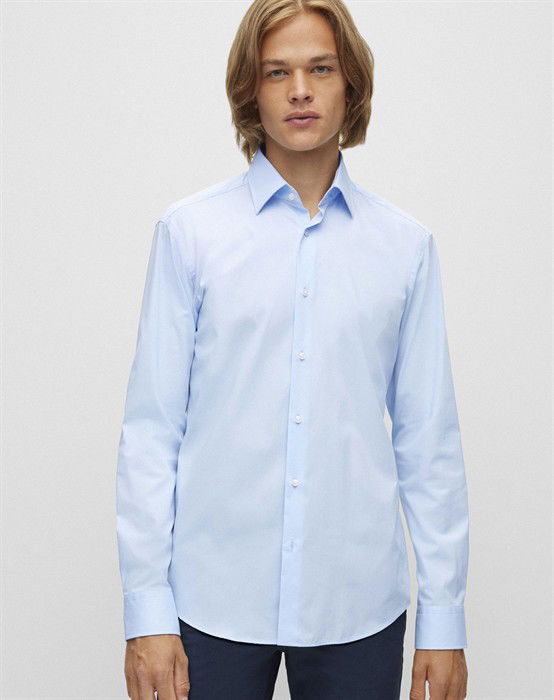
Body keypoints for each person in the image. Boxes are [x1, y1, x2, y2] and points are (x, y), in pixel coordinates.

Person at [115, 1, 470, 698]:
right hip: (209, 603)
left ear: (351, 83)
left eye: (321, 69)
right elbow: (151, 431)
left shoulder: (405, 248)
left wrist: (443, 620)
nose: (300, 90)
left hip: (356, 605)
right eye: (277, 72)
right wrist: (147, 611)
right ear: (250, 90)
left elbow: (430, 444)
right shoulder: (191, 235)